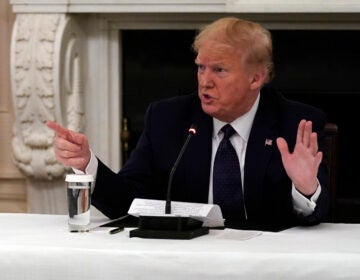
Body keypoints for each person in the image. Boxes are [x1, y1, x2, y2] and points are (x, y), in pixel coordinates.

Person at [47, 17, 329, 231]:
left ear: (256, 78)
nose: (204, 81)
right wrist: (87, 164)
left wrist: (306, 189)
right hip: (185, 260)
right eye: (200, 67)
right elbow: (129, 203)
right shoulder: (168, 119)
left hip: (266, 264)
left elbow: (321, 216)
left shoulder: (295, 123)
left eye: (219, 70)